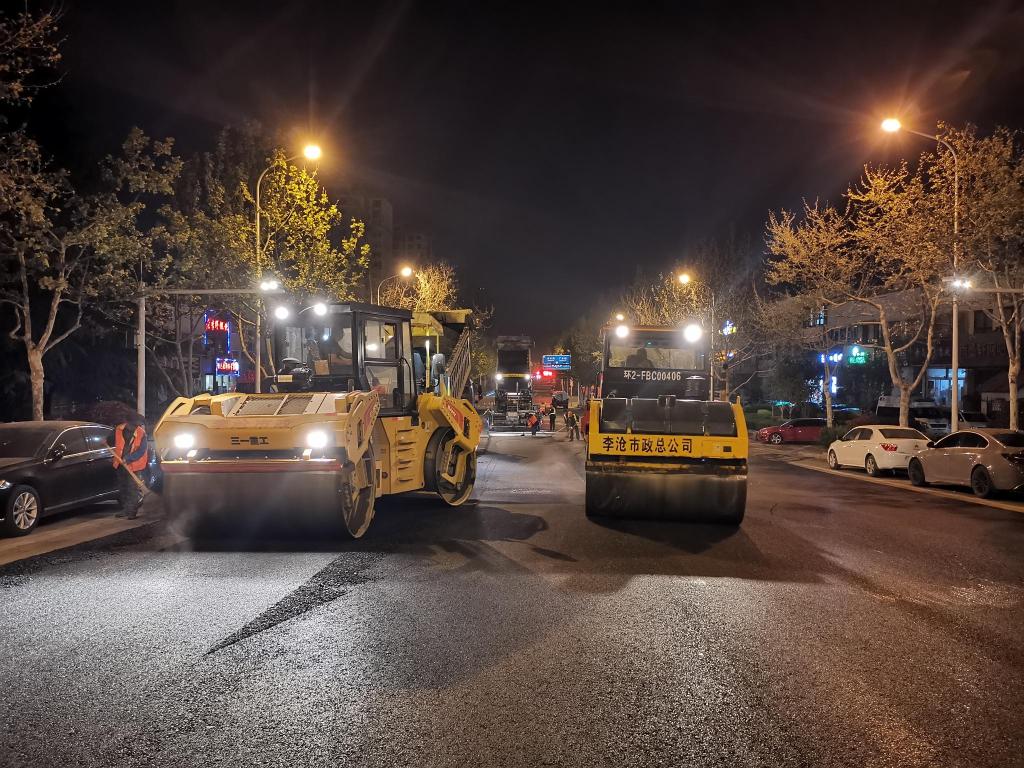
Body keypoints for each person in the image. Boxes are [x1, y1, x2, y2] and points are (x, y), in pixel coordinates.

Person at [108, 413, 149, 519]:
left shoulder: (141, 433)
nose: (136, 426)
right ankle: (125, 510)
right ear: (128, 423)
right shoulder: (118, 429)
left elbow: (141, 451)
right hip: (120, 464)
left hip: (134, 465)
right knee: (123, 488)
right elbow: (110, 440)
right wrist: (105, 441)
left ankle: (132, 511)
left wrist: (129, 458)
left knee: (132, 489)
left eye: (138, 424)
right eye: (134, 424)